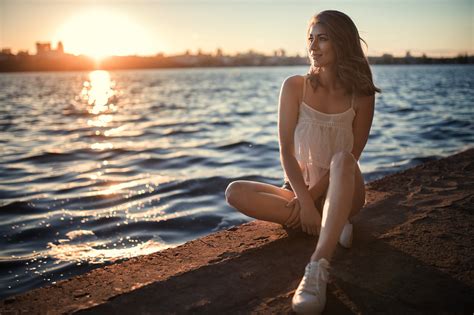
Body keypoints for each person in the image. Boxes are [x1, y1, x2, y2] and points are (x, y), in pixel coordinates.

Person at [225, 9, 380, 314]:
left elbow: (354, 155)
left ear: (342, 43)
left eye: (323, 39)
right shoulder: (295, 86)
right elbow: (285, 150)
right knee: (234, 192)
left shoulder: (361, 96)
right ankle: (331, 225)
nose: (313, 46)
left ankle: (317, 265)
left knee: (342, 159)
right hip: (300, 189)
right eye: (310, 38)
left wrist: (310, 200)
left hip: (346, 189)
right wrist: (304, 200)